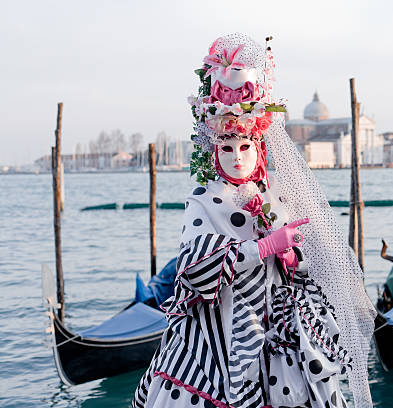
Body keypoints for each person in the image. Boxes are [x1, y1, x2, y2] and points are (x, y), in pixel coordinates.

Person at [132, 33, 375, 408]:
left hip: (280, 329)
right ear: (214, 151)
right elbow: (195, 266)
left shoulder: (276, 191)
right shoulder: (205, 200)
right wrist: (262, 247)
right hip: (220, 335)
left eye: (245, 147)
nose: (236, 156)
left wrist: (293, 260)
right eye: (226, 148)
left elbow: (304, 265)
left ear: (258, 148)